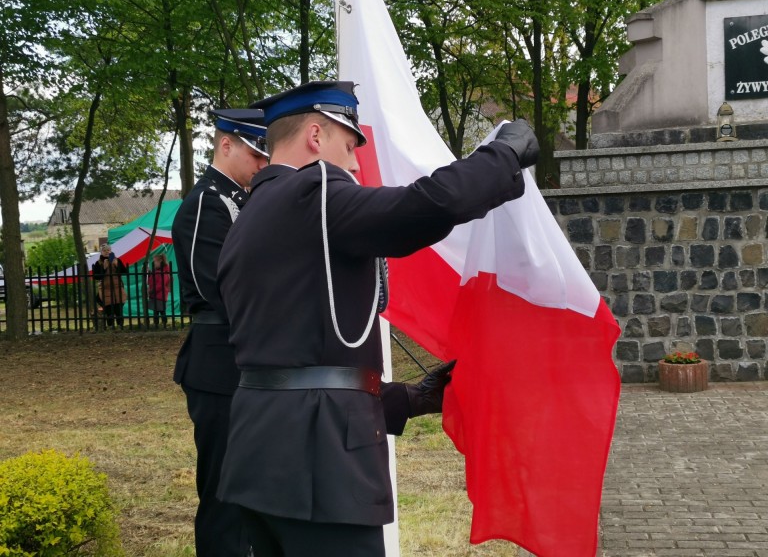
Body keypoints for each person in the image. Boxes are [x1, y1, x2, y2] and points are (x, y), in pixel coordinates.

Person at [216, 80, 539, 557]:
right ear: (314, 137)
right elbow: (426, 205)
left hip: (257, 456)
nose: (353, 164)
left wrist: (407, 399)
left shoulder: (248, 216)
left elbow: (289, 358)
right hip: (320, 470)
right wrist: (504, 156)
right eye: (349, 147)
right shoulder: (314, 191)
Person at [171, 108, 269, 557]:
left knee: (252, 490)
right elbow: (217, 288)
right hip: (218, 368)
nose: (262, 164)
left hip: (247, 365)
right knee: (224, 495)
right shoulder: (207, 203)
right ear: (225, 144)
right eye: (254, 153)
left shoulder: (244, 199)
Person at [92, 243, 128, 329]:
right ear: (101, 252)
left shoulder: (117, 260)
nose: (106, 252)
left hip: (117, 289)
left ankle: (120, 326)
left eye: (108, 250)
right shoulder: (98, 263)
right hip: (105, 290)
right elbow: (96, 277)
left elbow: (124, 272)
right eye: (104, 250)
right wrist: (104, 269)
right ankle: (110, 326)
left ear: (111, 251)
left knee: (119, 309)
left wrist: (116, 265)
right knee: (109, 310)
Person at [147, 252, 171, 328]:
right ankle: (156, 324)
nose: (153, 263)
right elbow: (151, 281)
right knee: (156, 312)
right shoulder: (157, 272)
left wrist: (151, 291)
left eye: (155, 261)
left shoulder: (164, 272)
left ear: (160, 261)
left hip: (160, 296)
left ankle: (163, 324)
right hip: (155, 295)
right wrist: (150, 273)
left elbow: (160, 285)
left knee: (161, 311)